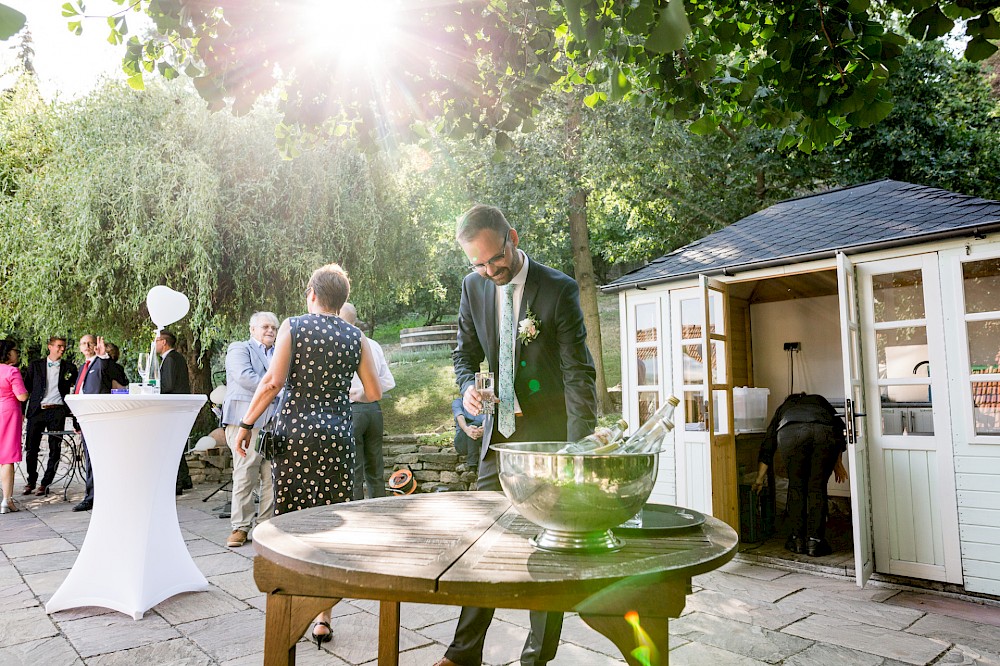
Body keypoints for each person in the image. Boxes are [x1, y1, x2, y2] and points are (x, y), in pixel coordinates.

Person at [438, 204, 598, 666]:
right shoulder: (473, 287)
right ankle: (464, 653)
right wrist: (468, 387)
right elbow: (464, 354)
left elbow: (578, 374)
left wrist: (577, 446)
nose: (489, 271)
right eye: (478, 264)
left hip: (550, 442)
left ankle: (536, 657)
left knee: (547, 549)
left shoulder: (558, 290)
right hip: (497, 440)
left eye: (495, 259)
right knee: (484, 542)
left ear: (512, 236)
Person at [234, 263, 382, 648]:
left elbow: (273, 382)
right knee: (331, 523)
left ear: (312, 294)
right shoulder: (356, 337)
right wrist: (335, 403)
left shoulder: (294, 327)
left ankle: (290, 606)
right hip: (336, 437)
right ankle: (322, 618)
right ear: (341, 299)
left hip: (296, 435)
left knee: (292, 520)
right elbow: (374, 391)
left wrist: (247, 424)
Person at [752, 392, 849, 557]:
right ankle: (815, 542)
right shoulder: (820, 400)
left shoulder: (785, 407)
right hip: (823, 432)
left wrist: (759, 479)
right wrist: (837, 462)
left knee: (796, 486)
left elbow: (768, 443)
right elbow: (840, 427)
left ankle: (796, 540)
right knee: (817, 487)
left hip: (790, 433)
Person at [221, 311, 281, 548]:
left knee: (272, 476)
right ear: (252, 329)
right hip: (245, 421)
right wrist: (277, 388)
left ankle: (265, 525)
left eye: (274, 328)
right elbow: (245, 377)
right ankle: (240, 527)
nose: (270, 331)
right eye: (265, 327)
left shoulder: (279, 353)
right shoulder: (240, 348)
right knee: (245, 474)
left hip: (275, 422)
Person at [339, 302, 395, 500]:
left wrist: (355, 393)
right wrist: (367, 391)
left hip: (352, 411)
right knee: (376, 468)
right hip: (374, 410)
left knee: (354, 471)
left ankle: (357, 516)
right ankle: (380, 510)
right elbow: (388, 382)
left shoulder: (338, 342)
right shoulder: (372, 344)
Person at [22, 337, 77, 496]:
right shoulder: (35, 365)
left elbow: (73, 389)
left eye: (64, 347)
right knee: (31, 448)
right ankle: (31, 480)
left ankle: (45, 483)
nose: (62, 349)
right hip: (37, 411)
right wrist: (21, 412)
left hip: (57, 411)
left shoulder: (70, 368)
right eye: (59, 346)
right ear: (50, 347)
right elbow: (26, 389)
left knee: (55, 448)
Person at [70, 334, 113, 512]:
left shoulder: (101, 364)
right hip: (85, 419)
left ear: (96, 346)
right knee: (90, 460)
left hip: (98, 419)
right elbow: (80, 392)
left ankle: (94, 497)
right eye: (83, 343)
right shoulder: (83, 367)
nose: (86, 346)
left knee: (98, 459)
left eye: (90, 343)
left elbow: (112, 373)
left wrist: (104, 357)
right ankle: (92, 495)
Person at [156, 331, 193, 495]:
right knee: (176, 444)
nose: (154, 345)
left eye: (155, 341)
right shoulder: (175, 358)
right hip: (179, 408)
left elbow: (168, 385)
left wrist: (154, 390)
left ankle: (177, 483)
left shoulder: (170, 359)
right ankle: (185, 479)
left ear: (163, 342)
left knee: (171, 445)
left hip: (173, 408)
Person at [0, 340, 29, 514]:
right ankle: (6, 500)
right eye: (15, 350)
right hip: (8, 414)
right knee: (7, 458)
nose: (17, 353)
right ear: (7, 353)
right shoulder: (12, 371)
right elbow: (22, 396)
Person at [451, 396, 483, 471]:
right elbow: (460, 417)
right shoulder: (458, 402)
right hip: (462, 443)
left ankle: (472, 467)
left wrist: (483, 430)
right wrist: (466, 429)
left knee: (475, 427)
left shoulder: (483, 403)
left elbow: (486, 419)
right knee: (472, 428)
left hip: (479, 438)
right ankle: (472, 466)